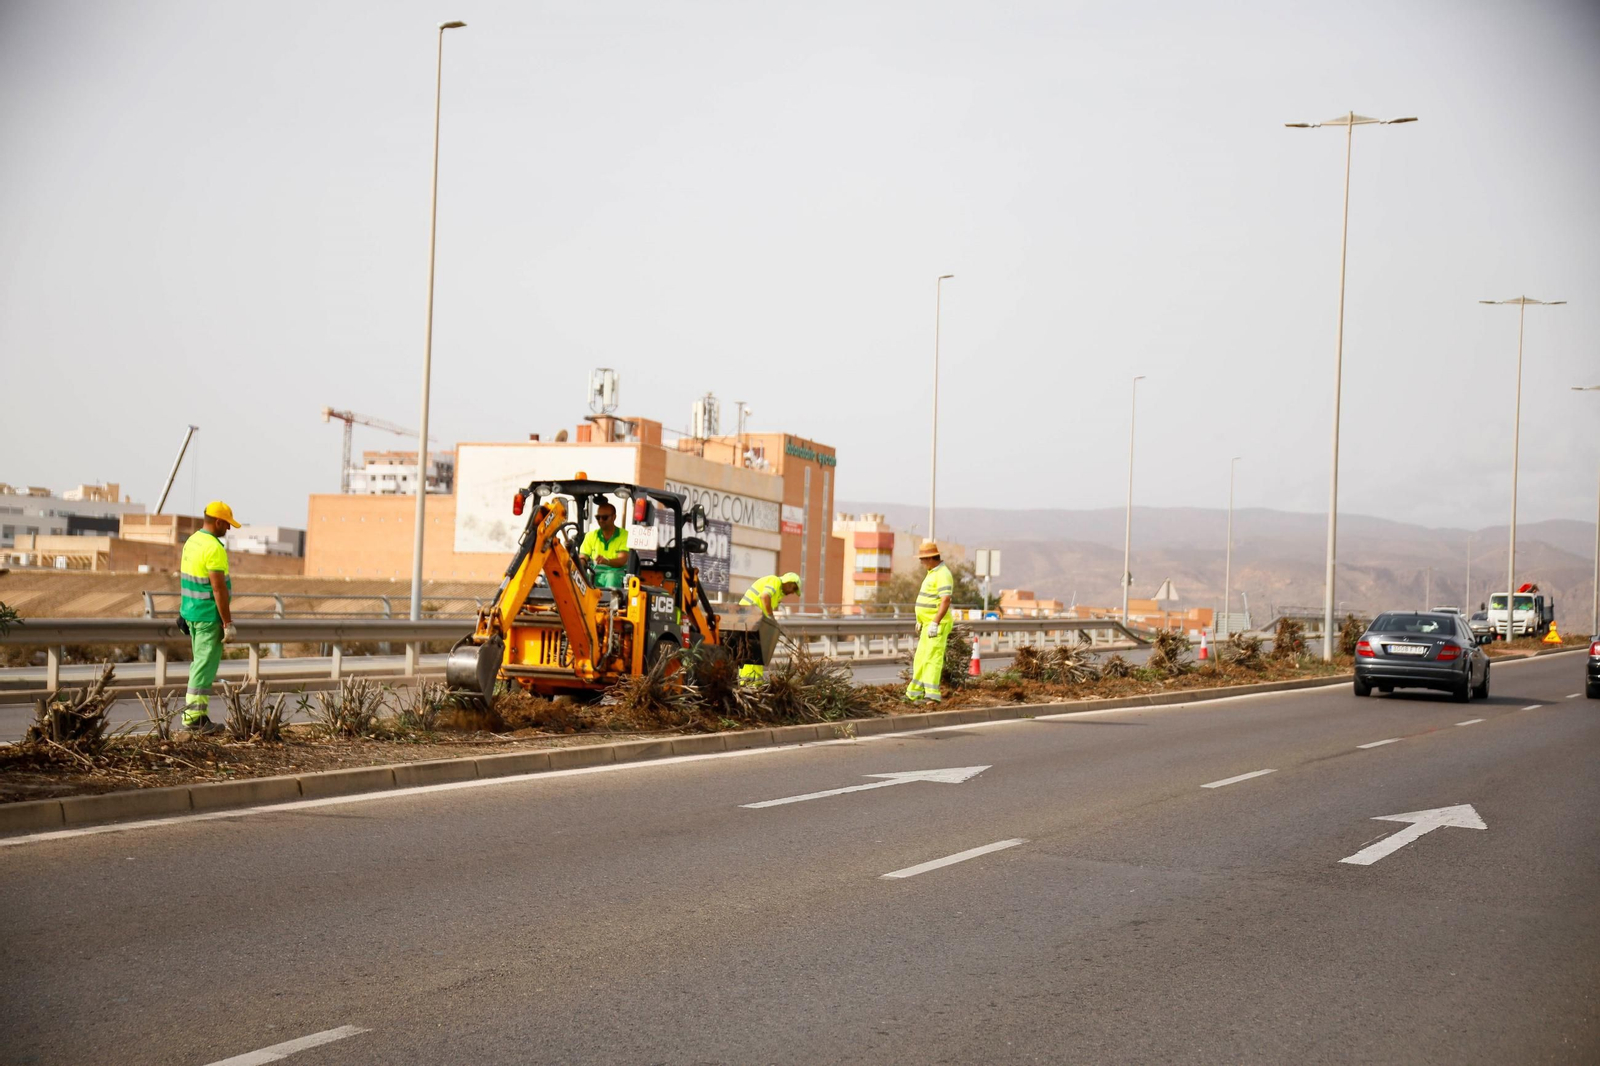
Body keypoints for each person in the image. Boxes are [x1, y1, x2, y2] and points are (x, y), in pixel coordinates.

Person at [179, 501, 240, 734]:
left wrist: (183, 612)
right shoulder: (214, 548)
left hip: (192, 614)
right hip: (207, 616)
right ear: (218, 522)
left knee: (200, 664)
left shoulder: (192, 542)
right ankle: (194, 718)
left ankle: (196, 716)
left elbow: (187, 579)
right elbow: (218, 589)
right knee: (204, 666)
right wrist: (227, 622)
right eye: (227, 524)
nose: (229, 529)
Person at [904, 540, 954, 702]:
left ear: (931, 558)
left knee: (932, 659)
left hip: (936, 625)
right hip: (927, 624)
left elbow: (945, 600)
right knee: (921, 658)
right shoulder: (933, 572)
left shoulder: (942, 574)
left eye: (923, 559)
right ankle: (914, 693)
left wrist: (935, 622)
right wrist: (921, 619)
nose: (921, 562)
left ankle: (932, 696)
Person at [738, 571, 801, 682]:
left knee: (754, 650)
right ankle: (750, 682)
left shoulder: (777, 591)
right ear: (790, 584)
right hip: (750, 615)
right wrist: (770, 617)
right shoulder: (775, 581)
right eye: (793, 589)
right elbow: (765, 596)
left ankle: (751, 681)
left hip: (750, 617)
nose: (792, 593)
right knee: (754, 650)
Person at [578, 499, 630, 590]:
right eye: (598, 517)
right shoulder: (591, 536)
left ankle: (611, 603)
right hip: (595, 573)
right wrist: (579, 564)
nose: (601, 520)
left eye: (605, 517)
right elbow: (583, 556)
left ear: (614, 517)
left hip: (616, 573)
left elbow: (622, 559)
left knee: (611, 577)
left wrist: (607, 561)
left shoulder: (624, 535)